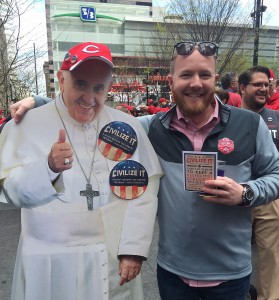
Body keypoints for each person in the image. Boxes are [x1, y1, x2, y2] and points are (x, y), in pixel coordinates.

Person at [9, 41, 279, 300]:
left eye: (204, 75)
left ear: (215, 79)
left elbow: (276, 175)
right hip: (175, 272)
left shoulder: (250, 125)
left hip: (230, 272)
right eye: (186, 74)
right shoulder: (150, 127)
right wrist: (41, 102)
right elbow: (92, 107)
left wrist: (246, 192)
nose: (196, 83)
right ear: (172, 82)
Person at [0, 41, 162, 300]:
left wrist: (132, 249)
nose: (90, 97)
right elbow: (11, 192)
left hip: (110, 256)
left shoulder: (126, 127)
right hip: (48, 258)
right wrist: (48, 168)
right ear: (62, 80)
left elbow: (143, 191)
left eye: (99, 88)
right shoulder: (26, 125)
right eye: (80, 84)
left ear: (108, 87)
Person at [239, 65, 279, 300]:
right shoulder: (229, 119)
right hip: (235, 196)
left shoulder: (276, 118)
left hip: (270, 198)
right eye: (258, 84)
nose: (264, 88)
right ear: (242, 88)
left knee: (271, 254)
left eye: (267, 84)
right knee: (229, 249)